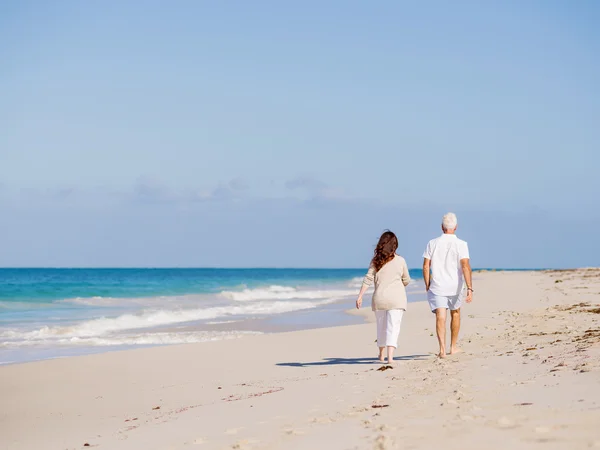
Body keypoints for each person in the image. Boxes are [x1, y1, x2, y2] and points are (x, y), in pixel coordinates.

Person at [356, 230, 411, 366]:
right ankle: (390, 357)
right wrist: (399, 283)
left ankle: (381, 354)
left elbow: (368, 278)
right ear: (395, 245)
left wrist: (360, 296)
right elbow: (407, 279)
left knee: (381, 327)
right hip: (396, 299)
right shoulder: (401, 260)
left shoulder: (376, 260)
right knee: (393, 327)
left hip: (379, 299)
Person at [422, 212, 473, 358]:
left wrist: (427, 284)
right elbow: (465, 266)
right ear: (456, 227)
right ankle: (453, 346)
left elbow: (426, 266)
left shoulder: (432, 243)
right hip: (455, 286)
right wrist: (470, 288)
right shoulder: (461, 244)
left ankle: (442, 350)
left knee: (440, 316)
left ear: (442, 227)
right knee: (455, 313)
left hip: (437, 286)